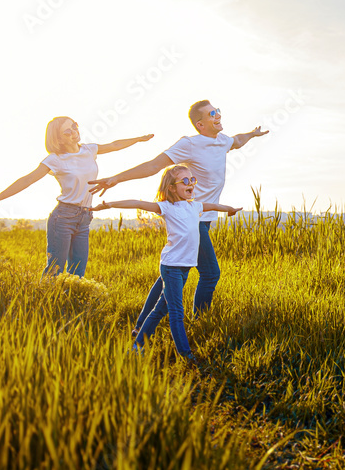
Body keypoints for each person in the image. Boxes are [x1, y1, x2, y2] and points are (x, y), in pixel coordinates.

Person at [89, 100, 266, 325]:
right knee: (210, 273)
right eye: (212, 113)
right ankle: (201, 323)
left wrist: (252, 133)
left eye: (218, 111)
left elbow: (238, 141)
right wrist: (116, 178)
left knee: (172, 273)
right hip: (190, 218)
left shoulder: (222, 141)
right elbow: (154, 166)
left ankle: (141, 324)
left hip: (203, 217)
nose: (218, 115)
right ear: (200, 124)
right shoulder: (189, 144)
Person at [0, 116, 153, 277]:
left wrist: (138, 139)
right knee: (55, 270)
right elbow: (28, 179)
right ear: (58, 139)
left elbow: (114, 145)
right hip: (63, 218)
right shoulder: (55, 159)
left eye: (74, 125)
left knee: (78, 271)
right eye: (67, 131)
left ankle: (70, 308)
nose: (74, 132)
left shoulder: (89, 150)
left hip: (85, 216)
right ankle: (44, 309)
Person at [93, 165, 240, 360]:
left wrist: (228, 209)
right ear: (171, 188)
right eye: (185, 181)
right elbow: (138, 203)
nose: (191, 184)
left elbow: (212, 206)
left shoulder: (194, 206)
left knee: (160, 308)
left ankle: (137, 346)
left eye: (192, 180)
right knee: (176, 312)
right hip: (171, 267)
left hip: (184, 267)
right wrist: (110, 204)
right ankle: (186, 355)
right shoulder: (166, 207)